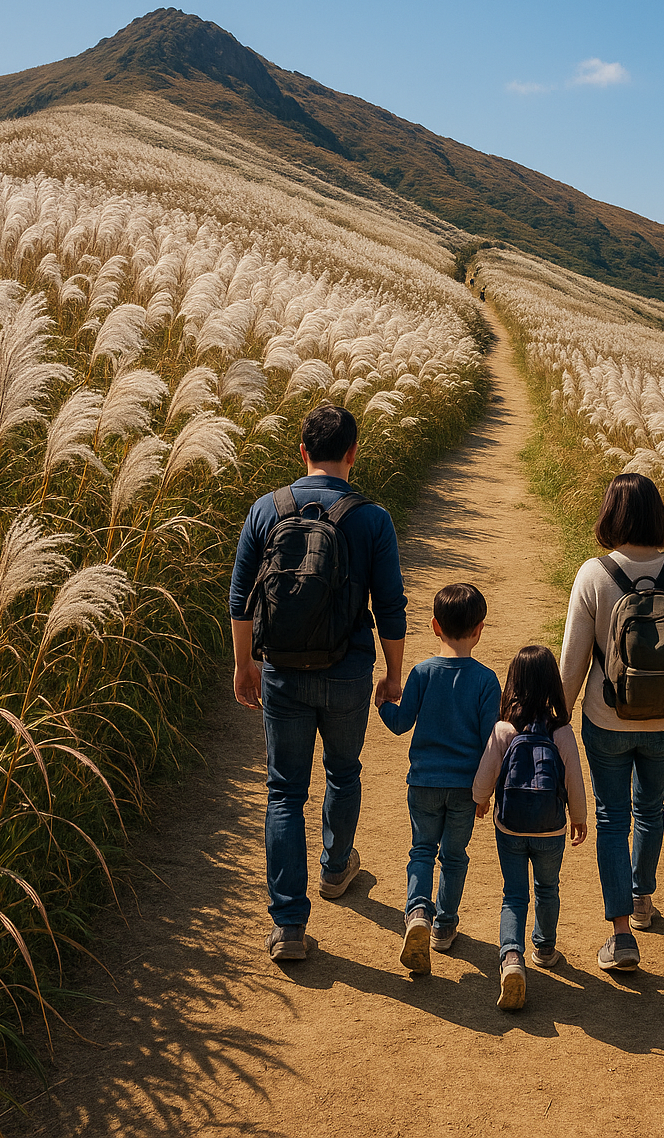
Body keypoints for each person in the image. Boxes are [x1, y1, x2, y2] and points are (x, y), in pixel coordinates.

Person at [229, 402, 407, 962]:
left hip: (282, 670)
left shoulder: (266, 509)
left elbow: (240, 598)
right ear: (353, 453)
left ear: (301, 451)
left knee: (284, 791)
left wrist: (244, 664)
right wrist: (393, 672)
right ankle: (335, 869)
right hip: (348, 671)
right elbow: (391, 606)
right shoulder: (372, 519)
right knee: (344, 771)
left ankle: (288, 925)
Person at [559, 472, 664, 973]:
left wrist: (556, 722)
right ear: (657, 516)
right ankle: (643, 899)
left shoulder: (594, 575)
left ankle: (621, 934)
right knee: (651, 808)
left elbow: (573, 662)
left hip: (607, 719)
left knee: (611, 818)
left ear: (610, 514)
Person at [379, 583, 500, 974]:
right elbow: (491, 743)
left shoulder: (422, 672)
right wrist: (485, 792)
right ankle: (444, 926)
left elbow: (401, 723)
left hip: (424, 783)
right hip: (465, 788)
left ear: (434, 626)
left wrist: (382, 704)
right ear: (479, 630)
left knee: (421, 850)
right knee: (454, 856)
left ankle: (418, 911)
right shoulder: (486, 681)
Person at [473, 645, 587, 1011]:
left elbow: (484, 776)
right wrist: (579, 817)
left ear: (514, 682)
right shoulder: (561, 731)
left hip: (510, 826)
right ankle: (545, 948)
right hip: (550, 829)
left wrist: (481, 800)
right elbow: (573, 780)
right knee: (547, 887)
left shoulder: (505, 729)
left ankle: (510, 957)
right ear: (553, 682)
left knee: (514, 893)